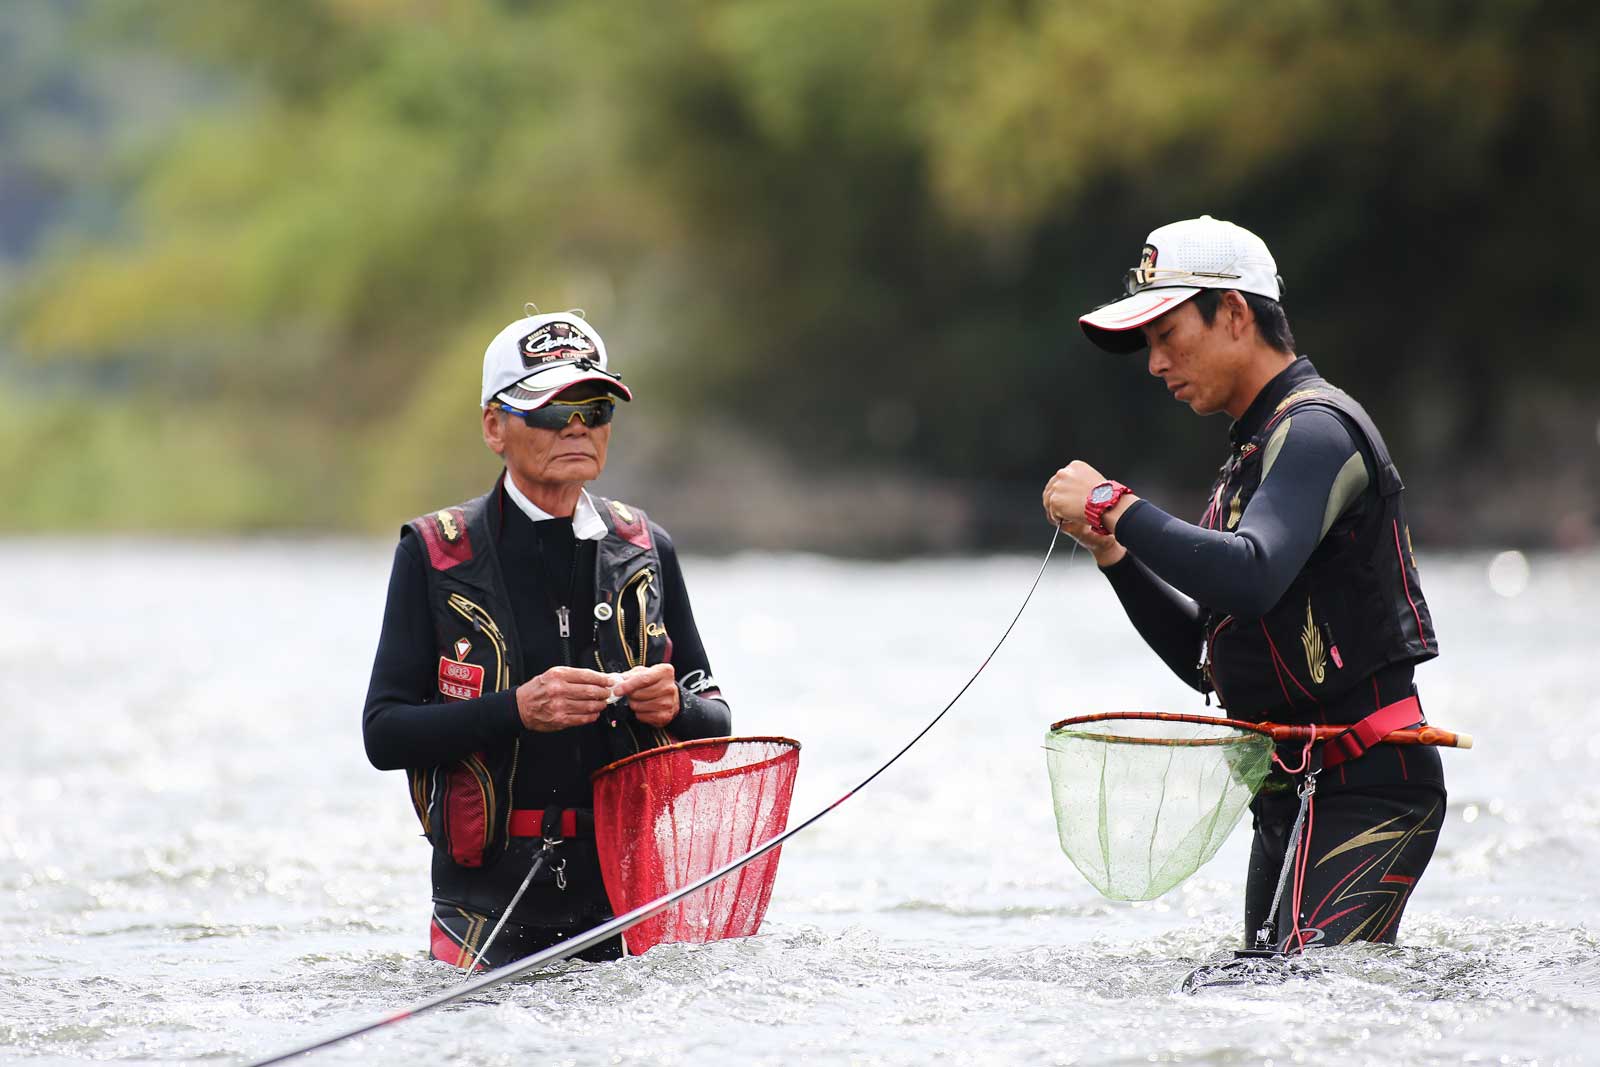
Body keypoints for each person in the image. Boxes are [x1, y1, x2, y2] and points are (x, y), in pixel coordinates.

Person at [1043, 216, 1445, 952]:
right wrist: (1113, 554)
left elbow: (1253, 574)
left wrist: (1112, 504)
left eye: (1167, 335)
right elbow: (1208, 652)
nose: (1155, 362)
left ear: (1233, 313)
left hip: (1368, 785)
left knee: (1291, 997)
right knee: (1254, 998)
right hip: (1292, 789)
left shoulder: (1318, 430)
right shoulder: (1257, 451)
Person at [363, 309, 731, 968]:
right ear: (493, 426)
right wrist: (516, 710)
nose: (579, 427)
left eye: (594, 408)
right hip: (481, 907)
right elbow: (383, 732)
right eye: (553, 409)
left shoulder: (649, 548)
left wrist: (674, 706)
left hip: (625, 901)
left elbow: (718, 728)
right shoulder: (431, 553)